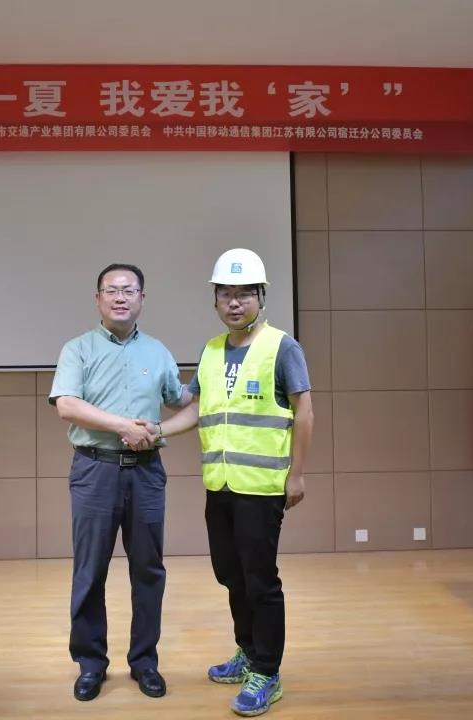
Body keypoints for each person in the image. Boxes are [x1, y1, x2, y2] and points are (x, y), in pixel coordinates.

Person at [157, 248, 313, 717]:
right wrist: (156, 431)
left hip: (261, 488)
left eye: (245, 293)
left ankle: (267, 671)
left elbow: (305, 411)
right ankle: (247, 651)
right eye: (226, 294)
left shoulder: (283, 348)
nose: (235, 302)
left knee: (260, 581)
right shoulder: (210, 351)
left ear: (261, 297)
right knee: (230, 575)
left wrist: (297, 473)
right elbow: (194, 408)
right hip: (220, 486)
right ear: (215, 300)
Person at [49, 262, 188, 702]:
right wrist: (122, 426)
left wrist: (213, 380)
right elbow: (67, 405)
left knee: (148, 570)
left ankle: (145, 662)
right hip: (95, 470)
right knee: (90, 570)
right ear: (98, 299)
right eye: (112, 290)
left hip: (146, 471)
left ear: (142, 298)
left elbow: (183, 401)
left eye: (130, 290)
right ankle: (91, 664)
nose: (121, 296)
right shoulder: (78, 349)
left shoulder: (158, 352)